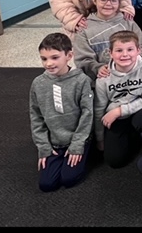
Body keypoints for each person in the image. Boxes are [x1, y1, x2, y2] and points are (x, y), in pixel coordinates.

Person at [29, 32, 94, 192]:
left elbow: (87, 115)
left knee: (69, 178)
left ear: (69, 55)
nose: (48, 63)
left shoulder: (82, 81)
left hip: (78, 138)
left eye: (54, 57)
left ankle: (87, 154)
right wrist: (43, 145)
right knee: (47, 184)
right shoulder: (38, 83)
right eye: (44, 58)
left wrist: (78, 144)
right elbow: (35, 116)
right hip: (54, 142)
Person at [94, 30, 142, 169]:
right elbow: (99, 109)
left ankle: (141, 136)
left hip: (140, 110)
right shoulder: (103, 78)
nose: (125, 54)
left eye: (130, 49)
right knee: (115, 161)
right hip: (117, 118)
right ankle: (129, 136)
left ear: (138, 51)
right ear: (110, 53)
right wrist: (100, 138)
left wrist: (119, 111)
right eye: (119, 50)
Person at [73, 0, 142, 82]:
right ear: (94, 0)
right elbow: (82, 60)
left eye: (113, 0)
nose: (108, 4)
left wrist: (131, 65)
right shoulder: (84, 29)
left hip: (133, 78)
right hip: (102, 82)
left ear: (119, 3)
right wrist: (97, 68)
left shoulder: (128, 23)